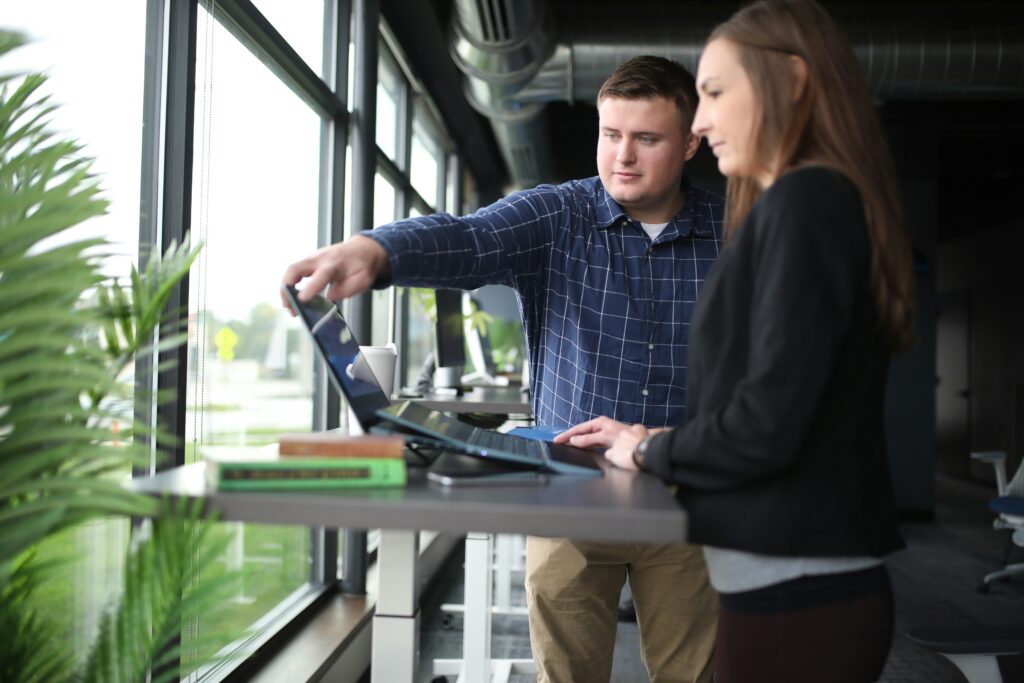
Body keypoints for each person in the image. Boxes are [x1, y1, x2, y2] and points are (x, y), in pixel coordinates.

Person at [282, 56, 722, 683]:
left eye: (647, 139)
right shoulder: (558, 215)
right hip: (569, 495)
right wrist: (376, 250)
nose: (623, 156)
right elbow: (467, 239)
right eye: (610, 134)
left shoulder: (734, 233)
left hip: (687, 494)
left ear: (690, 143)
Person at [555, 1, 916, 681]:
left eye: (715, 92)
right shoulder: (807, 203)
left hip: (799, 598)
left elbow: (764, 426)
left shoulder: (807, 202)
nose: (699, 121)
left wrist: (650, 446)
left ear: (795, 81)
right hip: (784, 590)